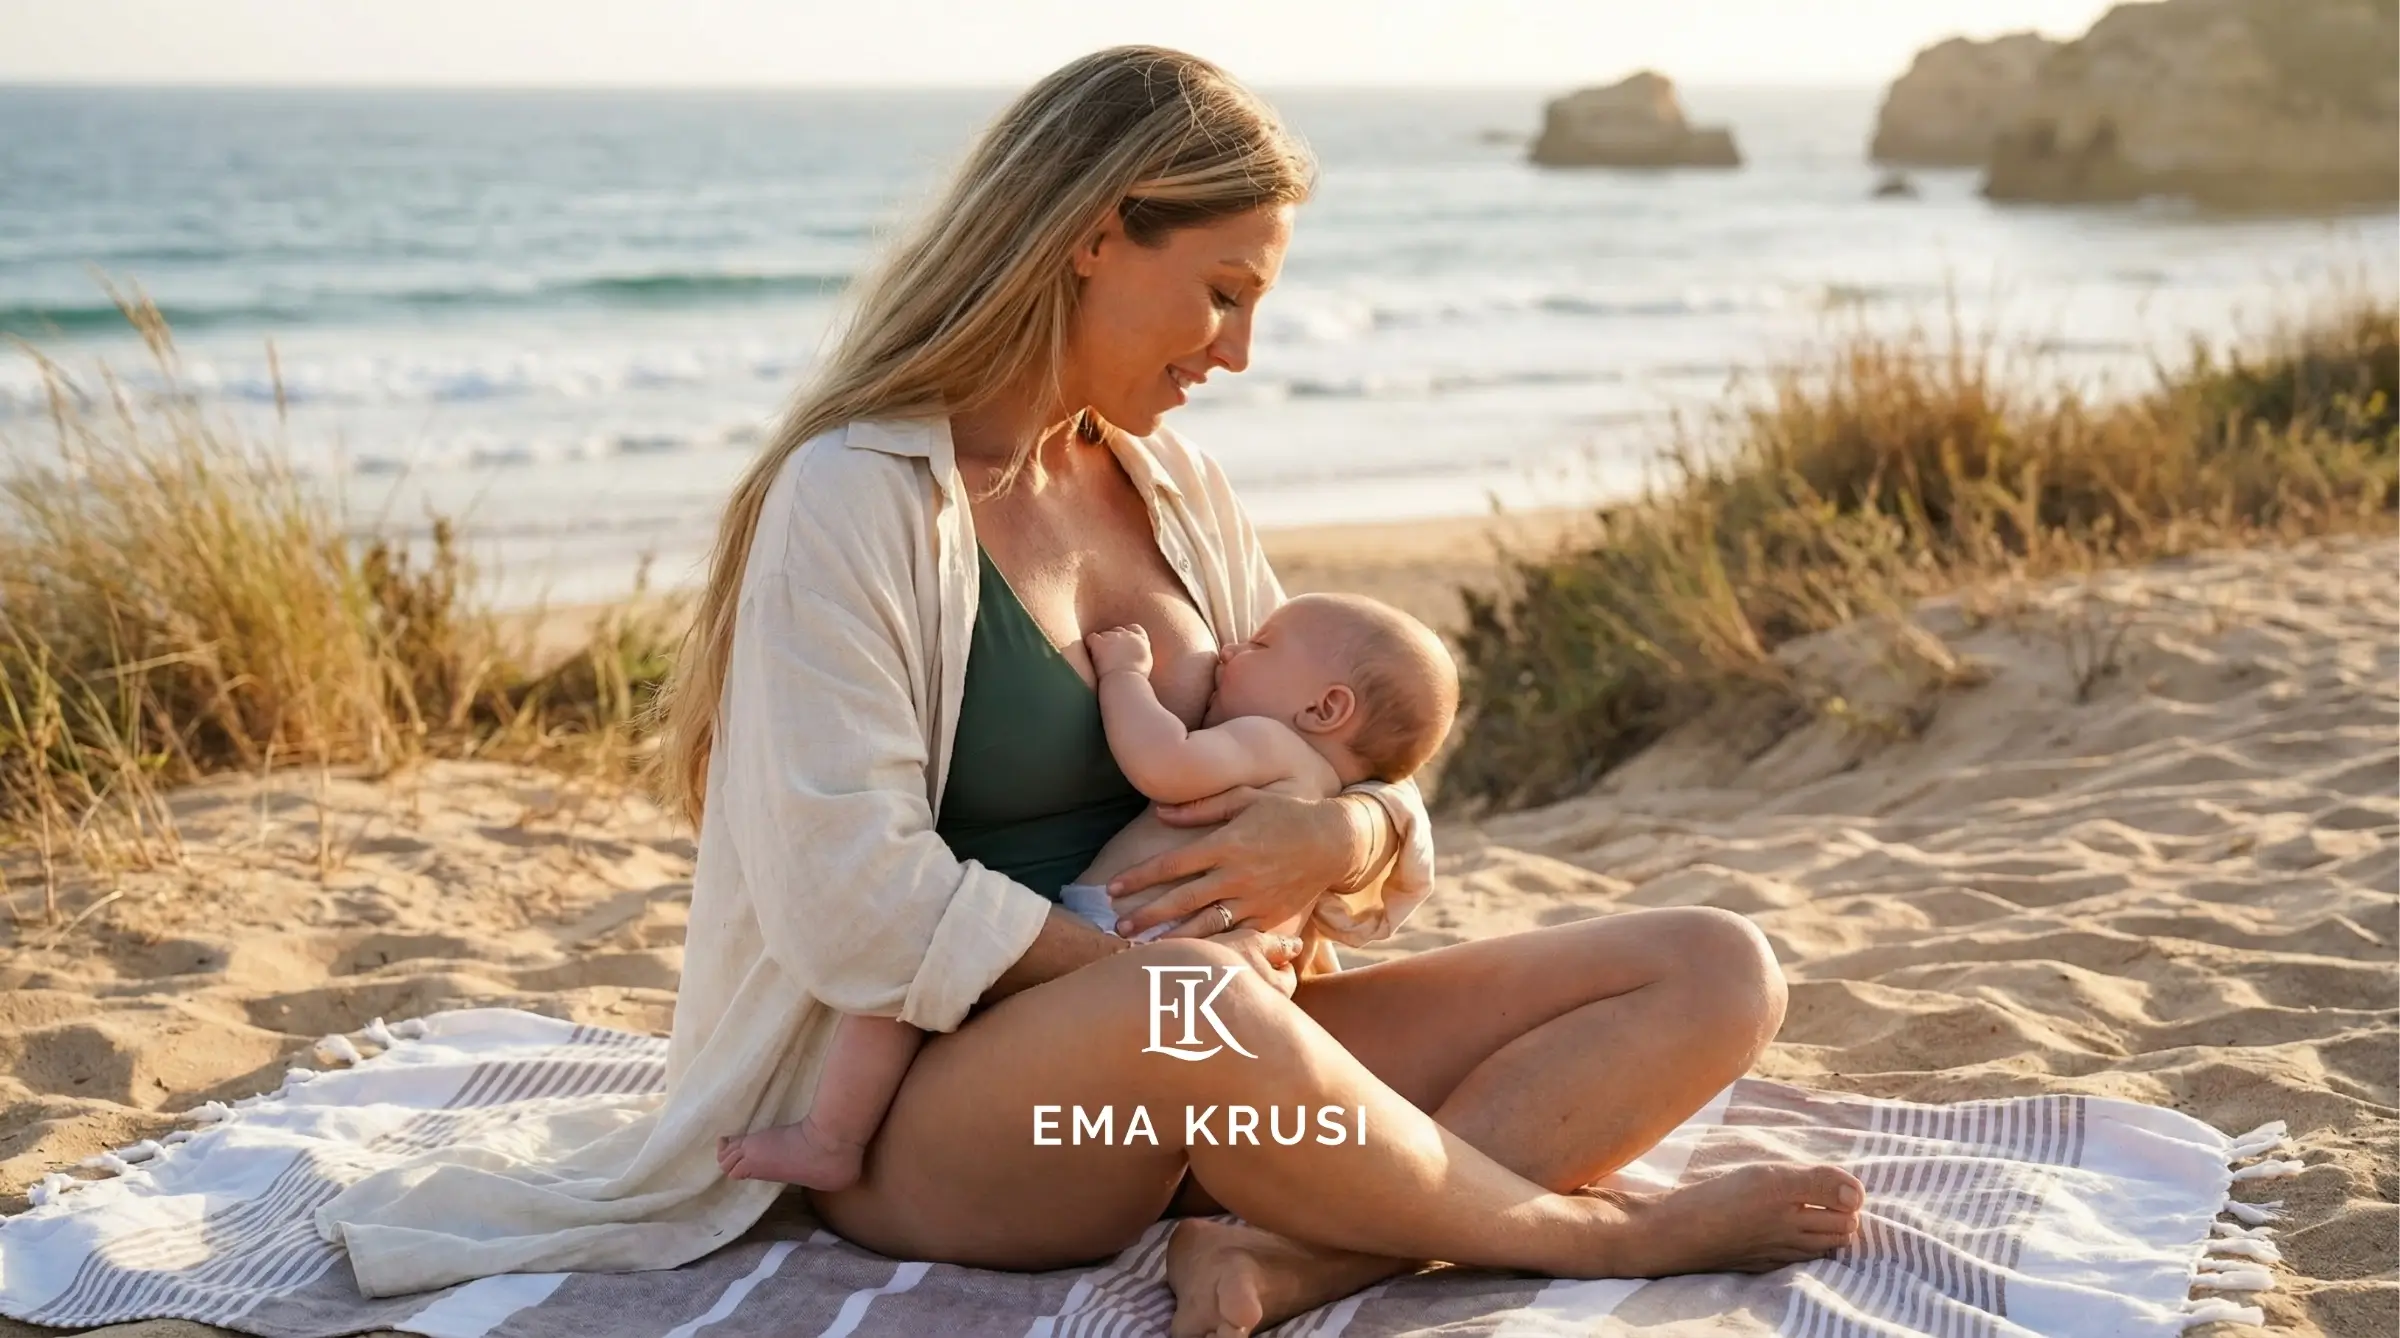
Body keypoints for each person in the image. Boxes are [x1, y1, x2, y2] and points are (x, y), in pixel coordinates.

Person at [315, 45, 1865, 1335]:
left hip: (1226, 1058)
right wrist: (1133, 971)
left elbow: (1341, 750)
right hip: (960, 1128)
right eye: (1221, 293)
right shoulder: (855, 497)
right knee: (1187, 1004)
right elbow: (848, 897)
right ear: (1096, 233)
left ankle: (1295, 1259)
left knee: (1714, 965)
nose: (1237, 352)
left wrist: (1351, 837)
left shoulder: (1175, 486)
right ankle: (1598, 1236)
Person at [715, 593, 1460, 1190]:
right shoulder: (1323, 790)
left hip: (1120, 936)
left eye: (1260, 647)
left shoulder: (1270, 746)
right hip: (1199, 964)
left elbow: (1162, 763)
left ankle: (831, 1138)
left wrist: (1125, 675)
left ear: (1326, 709)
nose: (1233, 648)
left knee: (905, 990)